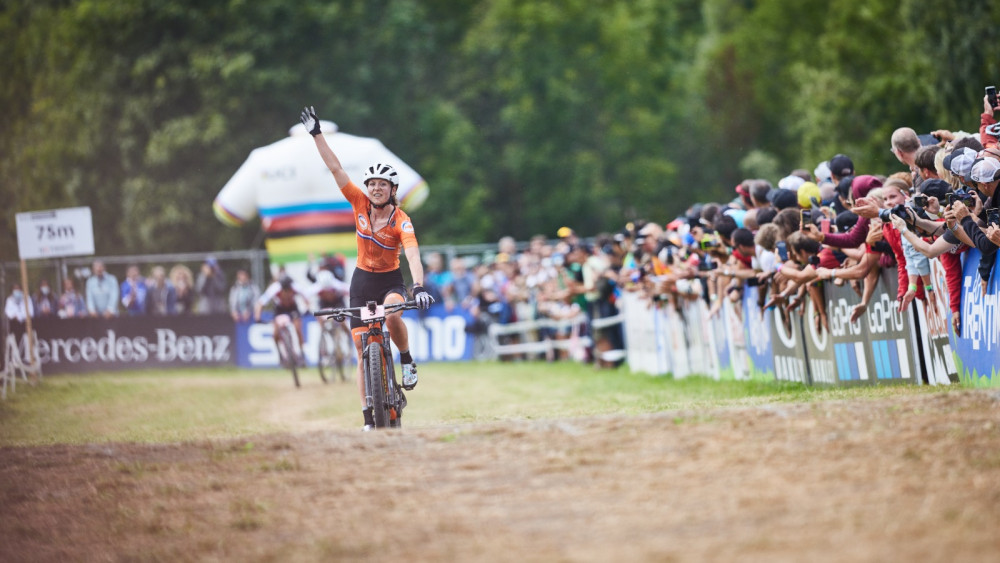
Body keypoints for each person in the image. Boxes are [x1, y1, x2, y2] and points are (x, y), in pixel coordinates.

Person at [301, 106, 434, 431]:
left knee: (390, 315)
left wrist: (417, 287)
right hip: (361, 281)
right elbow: (336, 169)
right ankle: (367, 417)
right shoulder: (358, 202)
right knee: (362, 349)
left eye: (382, 185)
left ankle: (405, 360)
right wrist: (317, 134)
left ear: (393, 191)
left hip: (390, 280)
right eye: (372, 184)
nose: (375, 188)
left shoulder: (401, 220)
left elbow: (413, 255)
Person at [255, 274, 307, 366]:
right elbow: (260, 303)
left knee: (298, 328)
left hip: (292, 308)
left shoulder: (295, 287)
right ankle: (280, 354)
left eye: (288, 290)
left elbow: (306, 297)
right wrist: (258, 318)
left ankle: (302, 354)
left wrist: (307, 309)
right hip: (279, 309)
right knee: (275, 334)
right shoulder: (274, 288)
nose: (287, 292)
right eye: (285, 290)